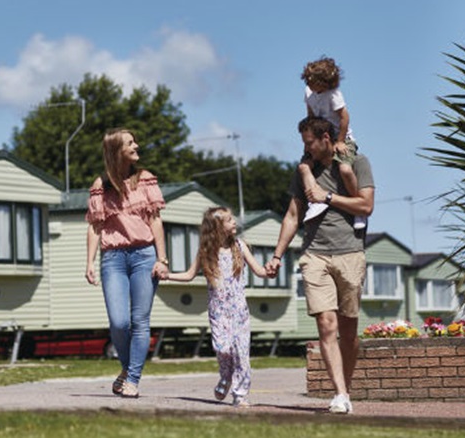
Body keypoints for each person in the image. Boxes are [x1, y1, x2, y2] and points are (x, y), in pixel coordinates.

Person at [265, 116, 375, 414]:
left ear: (326, 137)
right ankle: (339, 392)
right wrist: (277, 255)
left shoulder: (356, 162)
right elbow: (292, 216)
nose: (306, 149)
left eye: (309, 142)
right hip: (314, 254)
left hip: (350, 251)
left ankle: (345, 390)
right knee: (326, 324)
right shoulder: (305, 170)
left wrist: (327, 197)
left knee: (349, 332)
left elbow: (366, 206)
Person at [85, 128, 170, 399]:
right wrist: (89, 262)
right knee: (119, 322)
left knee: (140, 320)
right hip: (113, 260)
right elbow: (95, 227)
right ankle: (127, 369)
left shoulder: (144, 179)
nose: (137, 145)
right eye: (131, 143)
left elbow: (156, 220)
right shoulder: (102, 185)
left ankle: (132, 378)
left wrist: (162, 258)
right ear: (117, 150)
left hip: (144, 255)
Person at [167, 206, 270, 407]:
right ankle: (225, 377)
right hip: (218, 310)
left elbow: (259, 271)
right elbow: (188, 275)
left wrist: (270, 270)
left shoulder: (240, 246)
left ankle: (240, 394)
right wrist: (167, 275)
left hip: (239, 310)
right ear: (217, 227)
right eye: (229, 220)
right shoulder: (206, 252)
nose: (235, 223)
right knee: (222, 349)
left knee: (241, 352)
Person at [299, 56, 368, 230]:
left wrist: (339, 141)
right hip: (321, 137)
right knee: (304, 166)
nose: (309, 84)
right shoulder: (309, 92)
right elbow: (311, 114)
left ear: (324, 83)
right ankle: (314, 200)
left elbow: (344, 117)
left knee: (344, 168)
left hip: (342, 138)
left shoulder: (334, 95)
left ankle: (357, 208)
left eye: (312, 81)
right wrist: (310, 139)